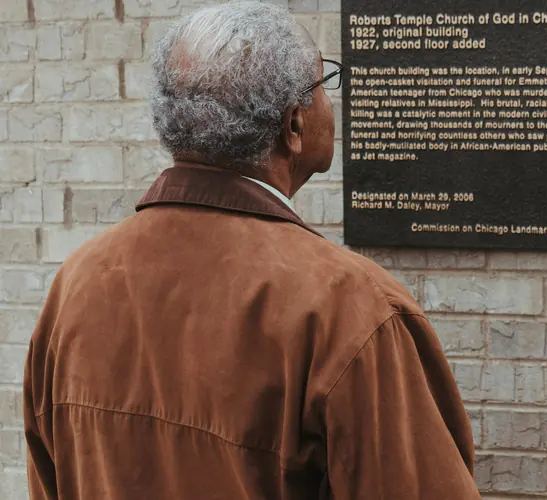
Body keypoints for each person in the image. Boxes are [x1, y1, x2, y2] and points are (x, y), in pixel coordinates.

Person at [23, 2, 480, 499]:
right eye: (322, 85)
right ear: (293, 126)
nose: (330, 100)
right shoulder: (348, 305)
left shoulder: (79, 281)